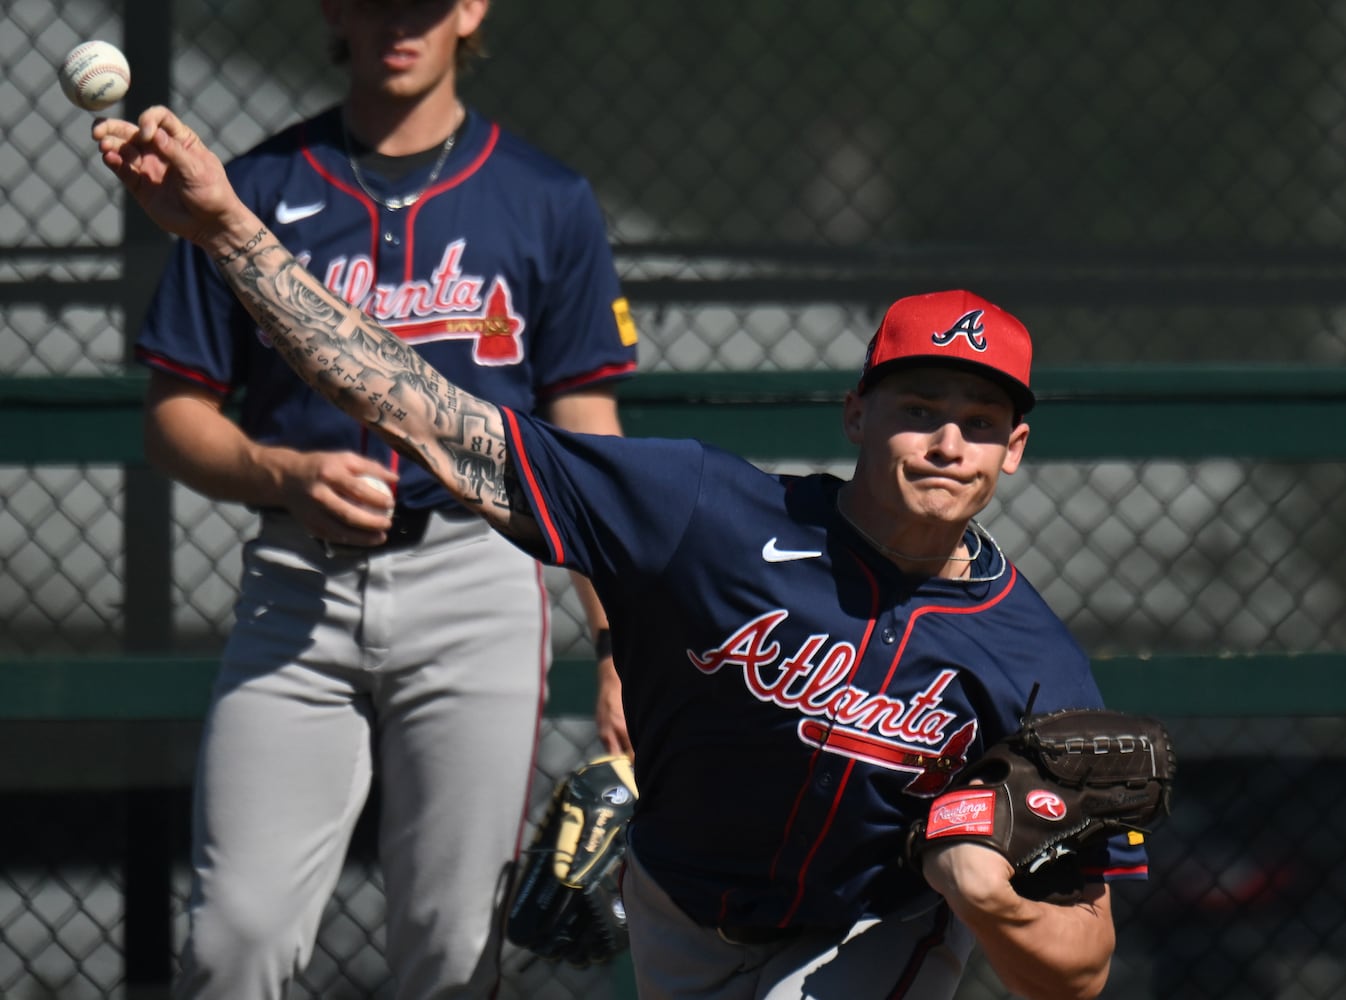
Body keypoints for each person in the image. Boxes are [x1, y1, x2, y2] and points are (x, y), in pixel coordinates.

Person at [96, 105, 1151, 1000]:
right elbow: (421, 410)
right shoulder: (707, 512)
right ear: (855, 414)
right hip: (677, 912)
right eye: (917, 407)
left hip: (860, 939)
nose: (945, 441)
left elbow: (1082, 965)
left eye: (977, 420)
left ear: (1014, 450)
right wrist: (231, 228)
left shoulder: (1034, 667)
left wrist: (986, 890)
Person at [128, 2, 636, 996]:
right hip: (297, 585)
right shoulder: (246, 191)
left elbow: (586, 434)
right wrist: (280, 473)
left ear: (470, 10)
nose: (396, 23)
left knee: (451, 946)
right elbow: (173, 416)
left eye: (423, 2)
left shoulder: (544, 198)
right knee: (235, 935)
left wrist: (622, 638)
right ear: (332, 10)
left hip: (475, 572)